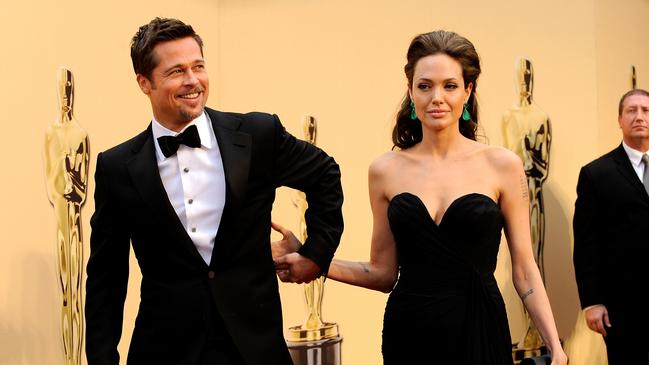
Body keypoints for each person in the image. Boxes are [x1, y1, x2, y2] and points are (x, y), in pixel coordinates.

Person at [273, 30, 567, 365]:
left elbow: (525, 270)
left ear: (468, 91)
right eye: (425, 85)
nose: (436, 97)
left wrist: (554, 348)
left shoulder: (502, 166)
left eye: (450, 86)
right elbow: (382, 273)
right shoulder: (385, 170)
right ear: (411, 91)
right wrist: (314, 258)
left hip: (479, 328)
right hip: (410, 332)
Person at [85, 17, 344, 365]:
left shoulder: (256, 134)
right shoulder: (117, 167)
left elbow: (325, 174)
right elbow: (106, 278)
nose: (193, 81)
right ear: (144, 82)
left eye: (198, 67)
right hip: (164, 351)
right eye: (177, 71)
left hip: (254, 347)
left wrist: (316, 254)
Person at [573, 89, 649, 365]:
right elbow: (586, 244)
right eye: (631, 110)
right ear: (619, 119)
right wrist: (591, 301)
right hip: (623, 304)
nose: (639, 116)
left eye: (646, 110)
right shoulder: (596, 174)